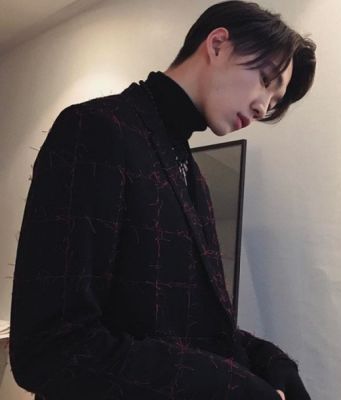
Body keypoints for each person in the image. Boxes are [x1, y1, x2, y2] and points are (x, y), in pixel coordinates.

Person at [9, 1, 316, 399]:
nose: (263, 107)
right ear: (218, 44)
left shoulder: (192, 175)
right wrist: (228, 387)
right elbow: (50, 349)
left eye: (274, 102)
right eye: (265, 79)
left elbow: (187, 329)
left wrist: (267, 361)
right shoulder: (97, 129)